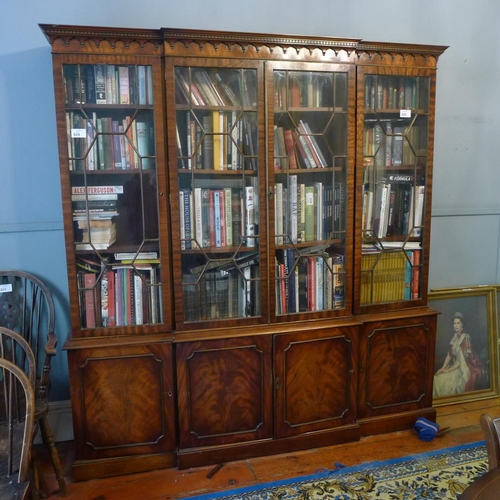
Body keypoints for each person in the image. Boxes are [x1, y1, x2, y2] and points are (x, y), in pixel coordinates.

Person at [433, 312, 483, 398]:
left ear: (462, 324)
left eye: (458, 323)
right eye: (454, 323)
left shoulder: (465, 338)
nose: (456, 325)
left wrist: (448, 370)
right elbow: (449, 355)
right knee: (437, 377)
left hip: (463, 368)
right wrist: (443, 368)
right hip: (454, 365)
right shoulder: (454, 337)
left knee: (449, 383)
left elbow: (462, 361)